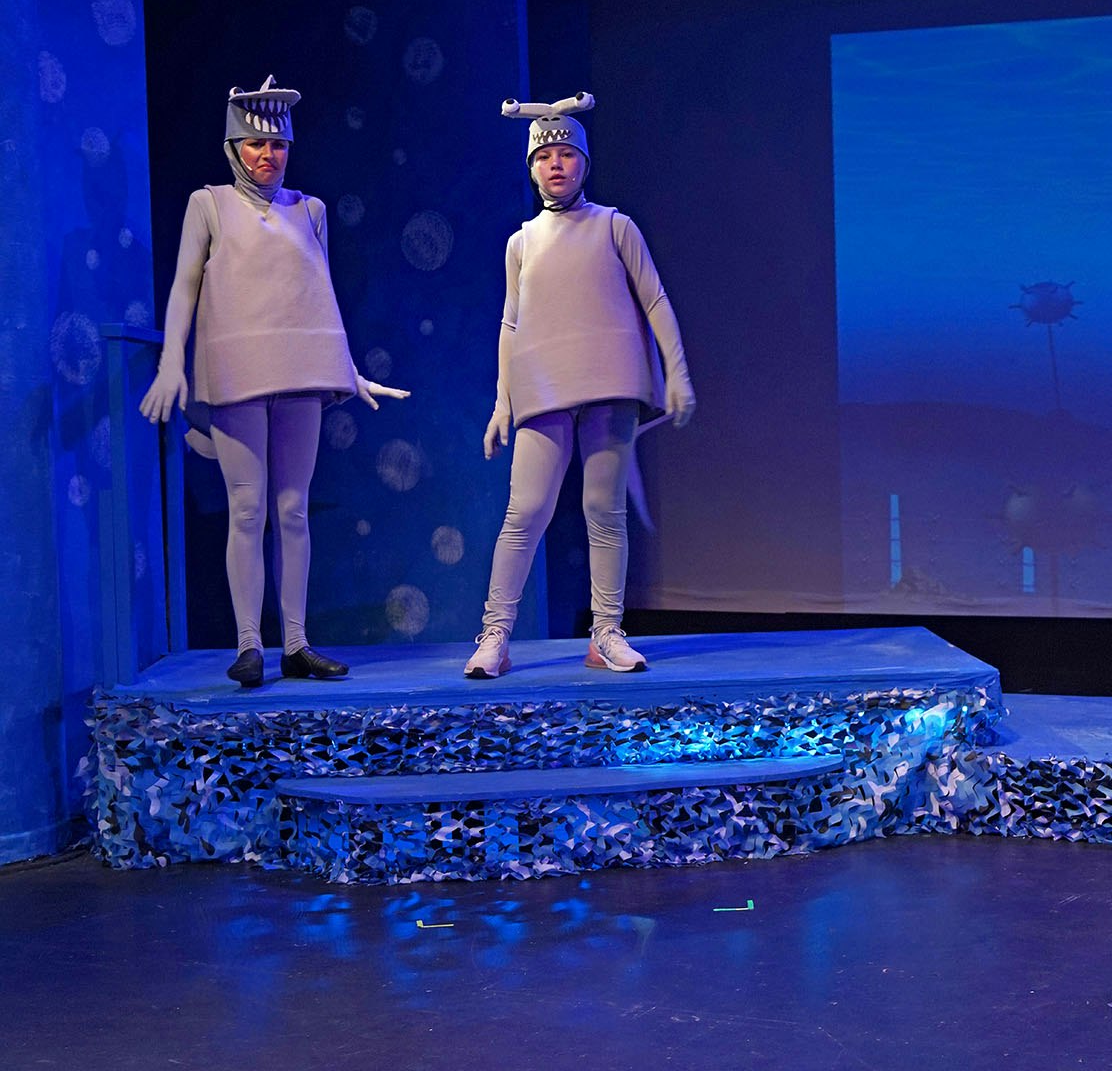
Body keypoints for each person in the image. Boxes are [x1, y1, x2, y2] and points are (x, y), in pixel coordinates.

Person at [139, 76, 409, 689]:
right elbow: (184, 286)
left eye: (278, 146)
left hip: (298, 372)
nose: (268, 156)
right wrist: (172, 362)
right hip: (237, 372)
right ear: (234, 147)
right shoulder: (208, 204)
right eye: (256, 146)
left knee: (292, 509)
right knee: (247, 506)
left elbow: (319, 295)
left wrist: (346, 369)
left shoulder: (309, 210)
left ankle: (296, 643)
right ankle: (248, 645)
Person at [463, 92, 695, 679]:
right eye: (545, 157)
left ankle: (608, 632)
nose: (556, 164)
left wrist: (677, 372)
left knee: (604, 509)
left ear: (584, 163)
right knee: (526, 512)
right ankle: (494, 636)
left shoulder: (615, 227)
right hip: (543, 387)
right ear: (531, 167)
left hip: (608, 384)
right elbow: (510, 325)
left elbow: (656, 300)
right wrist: (501, 403)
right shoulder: (521, 242)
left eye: (567, 153)